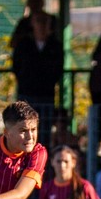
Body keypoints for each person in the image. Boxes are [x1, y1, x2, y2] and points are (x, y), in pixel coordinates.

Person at [11, 13, 63, 143]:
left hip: (46, 94)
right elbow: (16, 66)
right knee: (24, 127)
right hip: (26, 93)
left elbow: (58, 69)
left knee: (44, 130)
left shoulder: (55, 45)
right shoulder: (24, 44)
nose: (42, 26)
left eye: (45, 22)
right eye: (38, 21)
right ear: (32, 24)